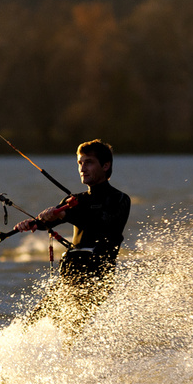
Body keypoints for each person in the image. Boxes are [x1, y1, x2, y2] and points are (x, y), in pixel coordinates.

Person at [13, 139, 130, 330]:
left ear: (105, 165)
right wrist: (32, 223)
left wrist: (66, 213)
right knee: (32, 324)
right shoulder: (75, 200)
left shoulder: (120, 199)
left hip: (95, 278)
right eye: (80, 163)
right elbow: (47, 222)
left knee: (71, 329)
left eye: (89, 162)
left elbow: (102, 222)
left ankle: (69, 357)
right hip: (70, 276)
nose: (83, 168)